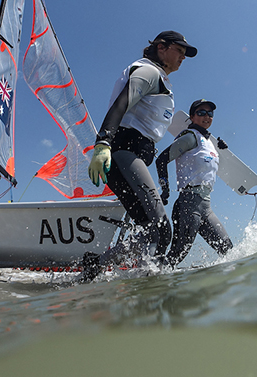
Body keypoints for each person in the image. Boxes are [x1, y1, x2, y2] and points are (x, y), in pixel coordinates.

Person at [82, 30, 198, 282]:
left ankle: (94, 267)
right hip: (124, 153)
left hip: (130, 158)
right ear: (161, 47)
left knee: (149, 230)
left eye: (185, 54)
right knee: (161, 230)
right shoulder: (148, 72)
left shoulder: (162, 81)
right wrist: (102, 143)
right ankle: (153, 286)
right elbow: (121, 103)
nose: (183, 57)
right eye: (179, 50)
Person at [156, 99, 233, 269]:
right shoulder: (189, 137)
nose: (206, 116)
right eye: (201, 113)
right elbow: (161, 160)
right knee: (177, 254)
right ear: (192, 116)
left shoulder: (208, 143)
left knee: (228, 250)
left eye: (210, 113)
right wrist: (165, 190)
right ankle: (148, 283)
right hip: (189, 204)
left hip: (206, 207)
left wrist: (221, 151)